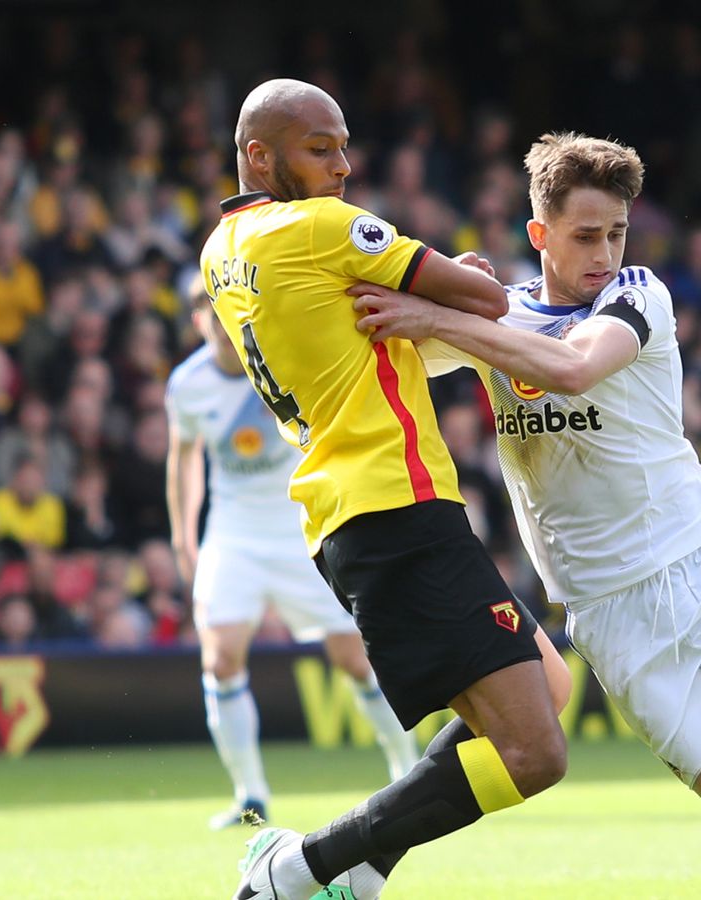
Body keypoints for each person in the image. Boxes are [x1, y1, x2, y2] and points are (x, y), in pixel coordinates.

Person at [355, 132, 701, 900]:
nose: (604, 251)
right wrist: (438, 296)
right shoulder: (502, 317)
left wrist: (438, 318)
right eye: (586, 235)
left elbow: (572, 367)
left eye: (616, 232)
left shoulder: (637, 295)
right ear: (539, 235)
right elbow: (387, 356)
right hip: (615, 620)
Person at [199, 80, 571, 900]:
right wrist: (434, 290)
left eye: (342, 144)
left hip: (357, 511)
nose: (344, 164)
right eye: (319, 148)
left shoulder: (223, 250)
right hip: (393, 503)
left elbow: (358, 338)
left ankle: (363, 866)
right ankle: (303, 865)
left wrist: (413, 298)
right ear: (260, 156)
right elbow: (486, 298)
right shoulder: (322, 227)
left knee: (549, 687)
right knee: (535, 754)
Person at [165, 288, 419, 830]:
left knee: (353, 659)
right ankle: (250, 796)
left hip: (299, 523)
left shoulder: (280, 358)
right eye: (208, 313)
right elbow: (183, 461)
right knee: (221, 658)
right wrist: (184, 539)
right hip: (233, 534)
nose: (218, 323)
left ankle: (406, 767)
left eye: (223, 311)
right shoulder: (187, 386)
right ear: (196, 320)